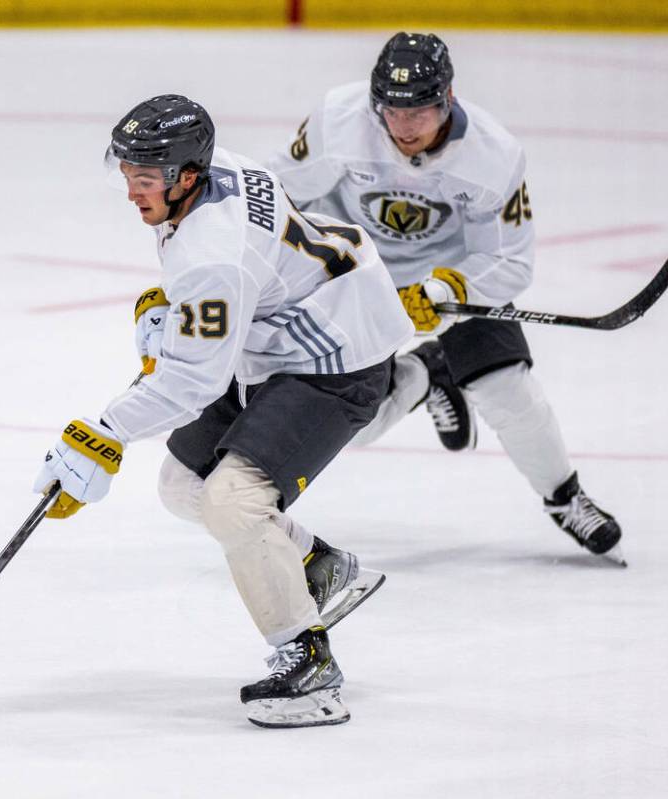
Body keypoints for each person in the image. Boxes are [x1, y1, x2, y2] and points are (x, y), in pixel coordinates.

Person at [32, 94, 413, 728]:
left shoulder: (211, 255)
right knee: (185, 485)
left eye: (144, 177)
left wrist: (102, 435)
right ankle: (321, 567)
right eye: (125, 171)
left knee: (232, 501)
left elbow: (191, 381)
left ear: (185, 175)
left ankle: (309, 664)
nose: (131, 190)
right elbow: (242, 273)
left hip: (337, 355)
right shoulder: (216, 173)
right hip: (287, 328)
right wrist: (175, 305)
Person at [266, 32, 624, 564]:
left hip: (456, 279)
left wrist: (446, 289)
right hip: (360, 277)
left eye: (420, 112)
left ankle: (565, 497)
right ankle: (428, 372)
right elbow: (279, 196)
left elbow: (510, 260)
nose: (404, 127)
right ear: (374, 103)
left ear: (448, 99)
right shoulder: (339, 120)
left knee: (509, 391)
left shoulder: (492, 155)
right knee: (356, 424)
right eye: (391, 111)